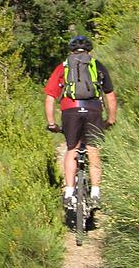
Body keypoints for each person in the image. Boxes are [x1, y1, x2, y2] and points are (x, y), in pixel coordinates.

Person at [43, 35, 117, 207]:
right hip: (93, 110)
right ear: (89, 50)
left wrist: (51, 122)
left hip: (70, 110)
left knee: (72, 148)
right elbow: (110, 96)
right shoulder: (97, 65)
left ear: (71, 50)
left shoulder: (63, 67)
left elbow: (50, 97)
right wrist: (111, 119)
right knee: (93, 149)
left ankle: (69, 192)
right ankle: (96, 193)